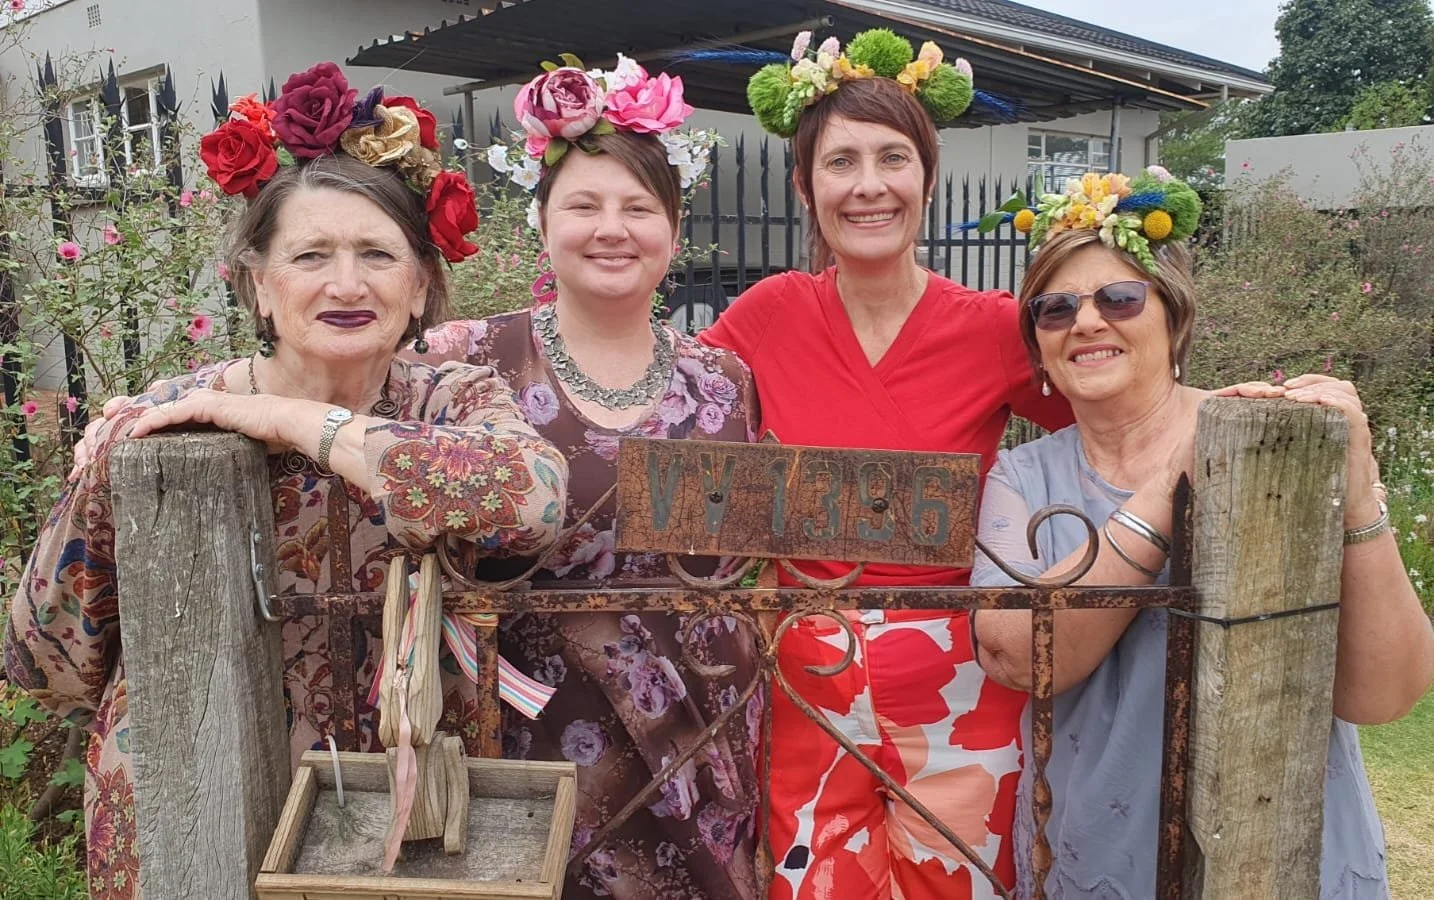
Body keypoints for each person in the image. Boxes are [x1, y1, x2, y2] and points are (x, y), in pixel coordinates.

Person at [3, 64, 568, 900]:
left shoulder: (453, 400)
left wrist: (301, 423)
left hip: (402, 809)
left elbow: (535, 498)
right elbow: (43, 656)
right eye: (311, 255)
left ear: (418, 288)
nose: (347, 284)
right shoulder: (166, 423)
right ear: (261, 286)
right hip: (194, 804)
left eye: (377, 254)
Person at [968, 167, 1434, 898]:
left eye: (1118, 297)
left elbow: (1386, 696)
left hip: (1288, 853)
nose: (1087, 322)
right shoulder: (1022, 479)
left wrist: (1358, 489)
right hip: (1102, 854)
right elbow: (1019, 656)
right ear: (1038, 346)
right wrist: (1167, 485)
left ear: (1174, 316)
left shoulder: (1269, 437)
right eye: (1055, 310)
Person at [702, 29, 1072, 900]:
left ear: (928, 179)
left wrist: (1209, 407)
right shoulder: (769, 313)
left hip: (962, 678)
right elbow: (672, 408)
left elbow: (1107, 416)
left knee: (968, 881)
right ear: (805, 187)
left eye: (892, 158)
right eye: (840, 163)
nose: (868, 186)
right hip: (807, 675)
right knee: (813, 883)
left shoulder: (991, 326)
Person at [416, 57, 762, 899]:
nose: (613, 227)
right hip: (525, 734)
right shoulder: (463, 360)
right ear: (543, 224)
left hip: (703, 736)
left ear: (674, 232)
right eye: (584, 204)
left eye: (639, 208)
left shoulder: (727, 382)